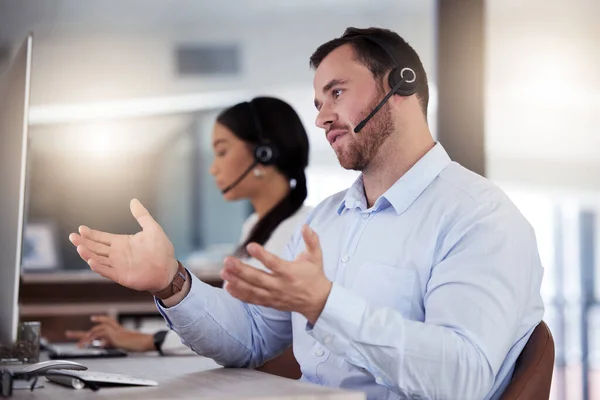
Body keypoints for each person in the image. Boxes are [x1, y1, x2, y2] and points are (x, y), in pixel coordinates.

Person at [69, 27, 544, 400]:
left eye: (336, 93)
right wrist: (171, 282)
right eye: (318, 103)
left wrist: (325, 305)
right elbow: (252, 339)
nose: (320, 118)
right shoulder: (325, 221)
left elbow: (463, 379)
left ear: (402, 84)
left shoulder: (479, 218)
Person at [66, 97, 312, 367]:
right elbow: (237, 328)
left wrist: (152, 339)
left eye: (222, 151)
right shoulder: (256, 227)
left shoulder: (301, 231)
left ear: (264, 153)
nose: (213, 168)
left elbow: (258, 339)